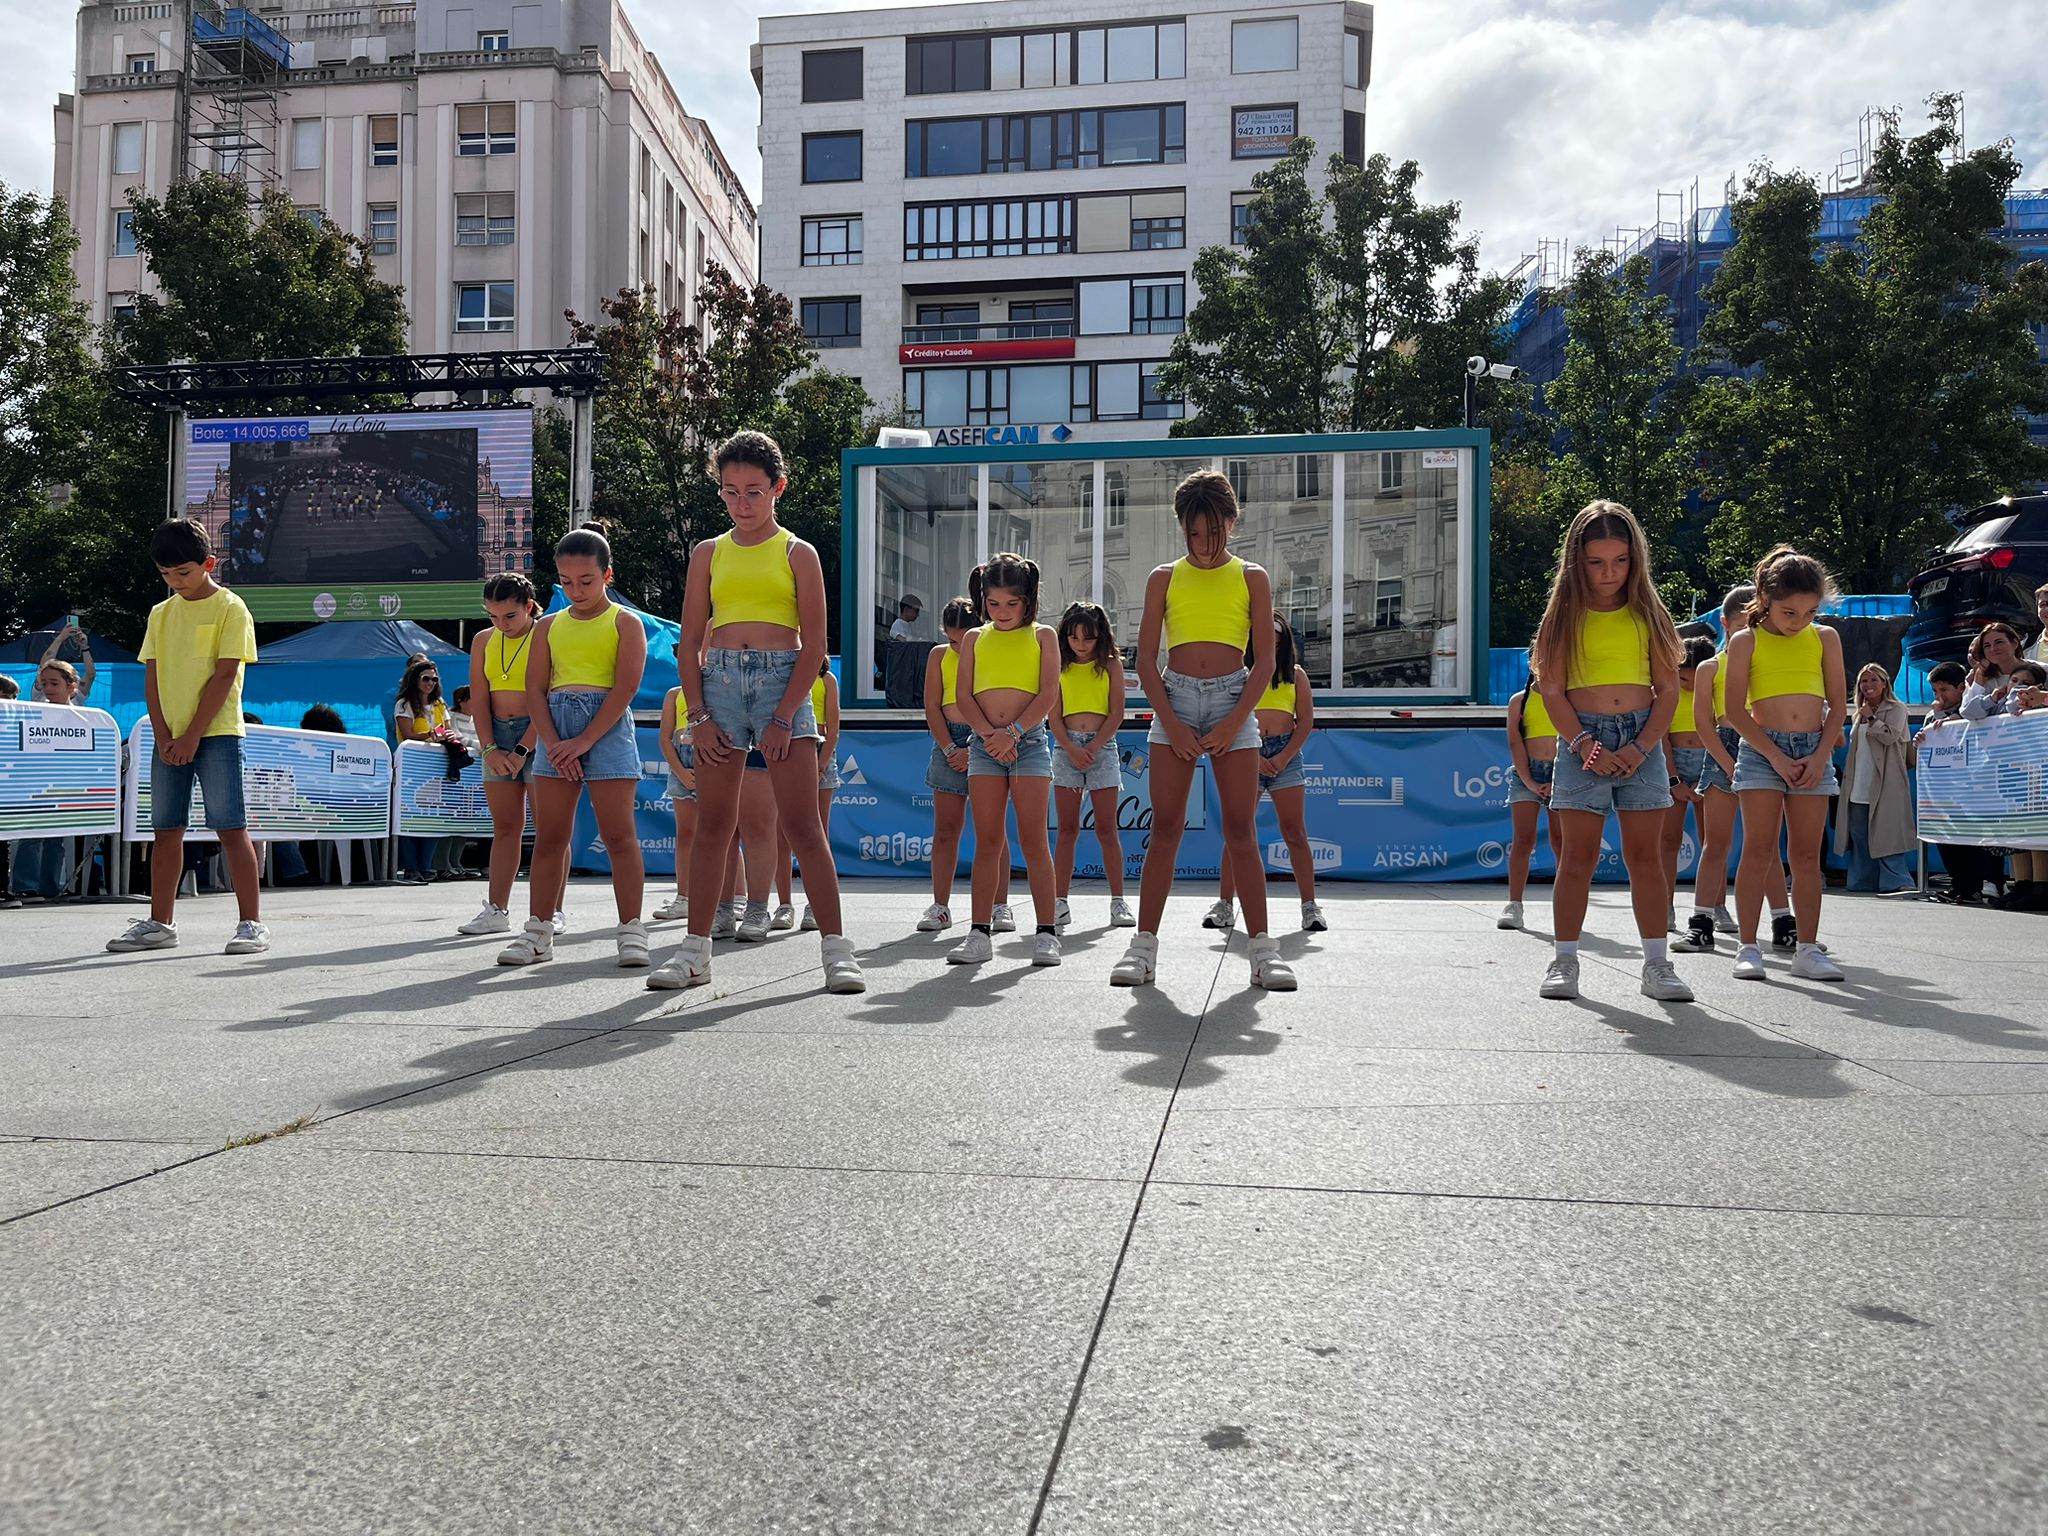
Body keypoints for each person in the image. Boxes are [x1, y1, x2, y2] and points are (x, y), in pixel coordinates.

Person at [648, 431, 862, 994]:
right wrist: (698, 715)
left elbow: (815, 645)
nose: (741, 503)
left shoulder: (798, 552)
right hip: (717, 685)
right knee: (713, 825)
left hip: (782, 685)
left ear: (778, 489)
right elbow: (690, 641)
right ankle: (695, 952)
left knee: (804, 825)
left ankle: (837, 951)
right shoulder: (708, 552)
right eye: (730, 491)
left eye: (753, 491)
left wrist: (784, 715)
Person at [1112, 469, 1295, 991]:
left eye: (1214, 532)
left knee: (1240, 830)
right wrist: (1171, 723)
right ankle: (1142, 947)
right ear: (1182, 528)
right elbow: (1145, 661)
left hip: (1234, 699)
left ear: (1232, 523)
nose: (1205, 545)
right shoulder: (1163, 577)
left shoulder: (1252, 577)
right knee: (1165, 829)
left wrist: (1236, 721)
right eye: (1194, 533)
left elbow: (1265, 662)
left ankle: (1262, 950)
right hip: (1174, 700)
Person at [1531, 500, 1689, 1003]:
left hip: (1643, 738)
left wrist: (1642, 745)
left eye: (1620, 561)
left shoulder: (1650, 613)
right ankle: (1564, 960)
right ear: (1576, 562)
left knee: (1646, 857)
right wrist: (1583, 744)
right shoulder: (1562, 617)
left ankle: (1657, 964)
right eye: (1596, 562)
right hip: (1582, 739)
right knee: (1576, 856)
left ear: (1634, 559)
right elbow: (1551, 689)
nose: (1609, 573)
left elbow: (1668, 689)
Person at [105, 519, 267, 955]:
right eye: (166, 574)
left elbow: (226, 674)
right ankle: (161, 923)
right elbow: (152, 678)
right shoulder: (161, 613)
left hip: (217, 734)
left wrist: (193, 735)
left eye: (184, 572)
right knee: (166, 830)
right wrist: (163, 736)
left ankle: (251, 923)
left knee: (231, 828)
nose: (175, 581)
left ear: (209, 564)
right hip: (169, 737)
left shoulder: (231, 607)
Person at [497, 528, 649, 968]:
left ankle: (631, 931)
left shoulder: (625, 622)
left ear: (607, 575)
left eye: (586, 580)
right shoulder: (548, 625)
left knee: (619, 836)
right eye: (566, 581)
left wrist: (584, 740)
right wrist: (553, 742)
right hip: (555, 731)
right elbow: (534, 688)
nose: (576, 590)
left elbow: (626, 688)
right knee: (550, 838)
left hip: (608, 729)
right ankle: (538, 931)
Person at [1723, 544, 1848, 983]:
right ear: (1765, 599)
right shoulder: (1745, 640)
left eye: (1810, 612)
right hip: (1763, 750)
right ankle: (1748, 946)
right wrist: (1775, 755)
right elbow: (1734, 710)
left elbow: (1839, 704)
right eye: (1789, 612)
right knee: (1759, 849)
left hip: (1814, 749)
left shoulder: (1826, 637)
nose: (1799, 621)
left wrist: (1820, 755)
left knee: (1807, 855)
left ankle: (1807, 949)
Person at [946, 553, 1063, 967]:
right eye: (993, 603)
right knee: (988, 841)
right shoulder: (974, 638)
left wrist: (1012, 733)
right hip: (984, 747)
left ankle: (1046, 933)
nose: (1002, 611)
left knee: (1033, 840)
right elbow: (963, 695)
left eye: (1011, 603)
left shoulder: (1044, 635)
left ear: (1028, 599)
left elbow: (1048, 693)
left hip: (1028, 744)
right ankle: (979, 932)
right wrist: (989, 736)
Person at [1681, 587, 1795, 954]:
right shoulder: (1710, 667)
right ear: (1726, 623)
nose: (1752, 632)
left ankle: (1783, 921)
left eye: (1758, 623)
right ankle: (1701, 922)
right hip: (1724, 750)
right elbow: (1704, 724)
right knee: (1716, 843)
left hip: (1764, 747)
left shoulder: (1770, 660)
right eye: (1745, 625)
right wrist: (1731, 766)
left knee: (1767, 845)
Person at [459, 573, 563, 935]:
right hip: (497, 734)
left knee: (550, 830)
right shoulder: (482, 640)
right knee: (505, 827)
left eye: (509, 616)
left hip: (541, 732)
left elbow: (549, 694)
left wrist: (523, 748)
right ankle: (496, 910)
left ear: (529, 607)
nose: (501, 624)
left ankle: (552, 912)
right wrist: (489, 748)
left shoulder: (547, 634)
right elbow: (479, 696)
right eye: (492, 616)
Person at [1214, 610, 1323, 933]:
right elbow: (1230, 718)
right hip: (1247, 749)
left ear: (1285, 643)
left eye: (1276, 642)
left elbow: (1305, 722)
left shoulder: (1296, 676)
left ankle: (1310, 906)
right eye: (1264, 640)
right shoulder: (1241, 676)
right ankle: (1224, 904)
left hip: (1285, 752)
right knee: (1238, 830)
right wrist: (1256, 758)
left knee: (1294, 831)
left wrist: (1284, 757)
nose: (1270, 646)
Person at [917, 596, 1012, 934]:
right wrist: (948, 747)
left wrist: (977, 746)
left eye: (963, 639)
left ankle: (999, 906)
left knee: (993, 832)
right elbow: (932, 705)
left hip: (986, 740)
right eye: (952, 639)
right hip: (948, 740)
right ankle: (940, 906)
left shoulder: (992, 652)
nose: (957, 646)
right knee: (946, 829)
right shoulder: (938, 655)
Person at [1049, 600, 1134, 932]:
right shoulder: (1057, 665)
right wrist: (1072, 748)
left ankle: (1118, 901)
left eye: (1088, 637)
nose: (1081, 644)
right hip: (1065, 748)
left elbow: (1117, 713)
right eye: (1074, 637)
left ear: (1101, 636)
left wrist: (1094, 746)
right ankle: (1059, 902)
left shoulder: (1111, 665)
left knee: (1107, 829)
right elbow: (1053, 715)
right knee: (1067, 830)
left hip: (1103, 746)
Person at [15, 655, 92, 901]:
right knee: (31, 836)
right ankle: (25, 886)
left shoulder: (84, 717)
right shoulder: (33, 713)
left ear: (72, 686)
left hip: (64, 786)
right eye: (44, 684)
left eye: (54, 683)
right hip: (35, 785)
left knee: (56, 838)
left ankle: (50, 887)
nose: (48, 689)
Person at [1915, 662, 1992, 905]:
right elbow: (1928, 743)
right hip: (1943, 789)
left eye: (1944, 690)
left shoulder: (1971, 711)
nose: (1940, 696)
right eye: (1935, 691)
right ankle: (1958, 884)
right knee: (1945, 837)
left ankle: (1972, 888)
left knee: (1969, 841)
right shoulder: (1932, 714)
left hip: (1970, 788)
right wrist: (1921, 739)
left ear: (1961, 687)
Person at [1835, 662, 1915, 895]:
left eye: (1873, 680)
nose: (1868, 685)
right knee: (1859, 834)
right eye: (1864, 681)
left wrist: (1872, 719)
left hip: (1886, 782)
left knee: (1887, 832)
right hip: (1858, 781)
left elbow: (1890, 737)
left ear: (1884, 683)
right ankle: (1862, 880)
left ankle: (1897, 881)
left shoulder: (1896, 709)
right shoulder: (1858, 713)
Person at [1658, 635, 1717, 934]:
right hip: (1674, 763)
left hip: (1712, 761)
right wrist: (1674, 780)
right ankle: (1665, 906)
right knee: (1668, 840)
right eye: (1684, 678)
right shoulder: (1666, 692)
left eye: (1697, 678)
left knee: (1713, 842)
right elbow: (1662, 737)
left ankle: (1716, 907)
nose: (1691, 684)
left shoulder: (1717, 690)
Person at [783, 656, 841, 932]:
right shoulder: (783, 673)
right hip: (787, 747)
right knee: (781, 833)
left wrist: (820, 764)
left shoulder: (827, 679)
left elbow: (834, 728)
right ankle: (784, 904)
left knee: (819, 831)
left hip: (819, 752)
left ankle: (814, 906)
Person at [1499, 680, 1558, 931]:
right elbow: (1515, 743)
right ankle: (1514, 904)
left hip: (1562, 773)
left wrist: (1558, 780)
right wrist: (1530, 782)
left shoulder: (1569, 696)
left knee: (1562, 843)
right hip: (1526, 774)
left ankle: (1566, 905)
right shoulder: (1519, 700)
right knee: (1523, 840)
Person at [392, 654, 451, 885]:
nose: (430, 683)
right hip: (411, 767)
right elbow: (407, 734)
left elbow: (448, 729)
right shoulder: (404, 704)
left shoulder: (440, 704)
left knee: (432, 818)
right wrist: (432, 735)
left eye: (434, 679)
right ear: (415, 679)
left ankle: (425, 866)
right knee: (408, 817)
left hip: (435, 767)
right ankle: (411, 867)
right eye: (426, 678)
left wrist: (445, 735)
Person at [1960, 622, 2025, 720]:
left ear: (2015, 643)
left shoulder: (2042, 669)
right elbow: (1967, 713)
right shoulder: (1982, 679)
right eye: (1987, 646)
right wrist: (1980, 676)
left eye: (1999, 642)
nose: (1993, 649)